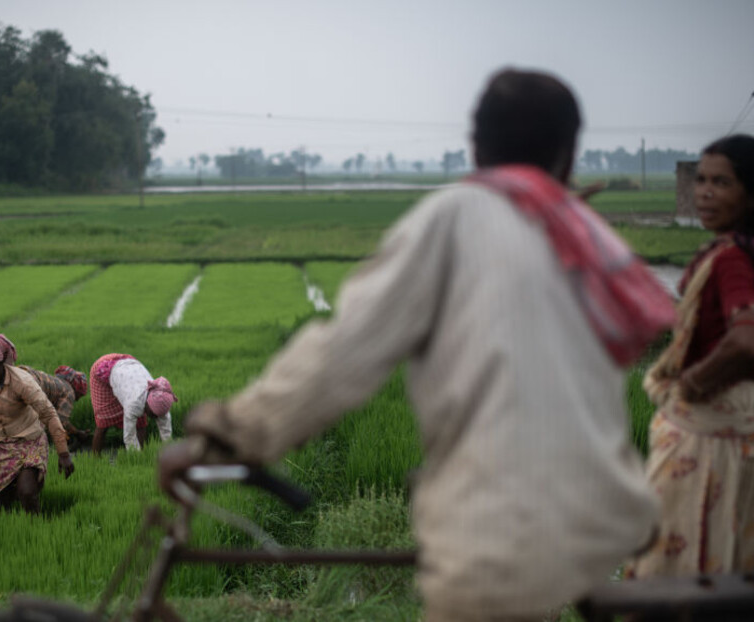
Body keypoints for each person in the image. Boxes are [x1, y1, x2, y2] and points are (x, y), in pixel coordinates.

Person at [158, 68, 677, 621]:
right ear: (569, 155)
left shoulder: (457, 216)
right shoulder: (581, 234)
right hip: (604, 512)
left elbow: (344, 353)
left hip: (499, 521)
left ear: (475, 146)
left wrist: (225, 437)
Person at [628, 135, 754, 578]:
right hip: (749, 428)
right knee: (725, 561)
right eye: (702, 180)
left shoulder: (731, 259)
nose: (705, 192)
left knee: (671, 561)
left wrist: (691, 384)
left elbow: (748, 340)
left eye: (722, 183)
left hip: (709, 433)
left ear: (753, 195)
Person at [0, 334, 74, 513]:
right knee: (2, 503)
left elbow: (48, 414)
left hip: (28, 440)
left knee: (27, 492)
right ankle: (14, 531)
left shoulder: (22, 381)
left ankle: (37, 530)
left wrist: (63, 453)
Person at [89, 353, 176, 453]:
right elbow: (129, 436)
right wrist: (135, 457)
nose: (156, 419)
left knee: (141, 423)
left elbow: (167, 435)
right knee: (103, 422)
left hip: (128, 368)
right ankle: (95, 458)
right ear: (147, 405)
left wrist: (171, 454)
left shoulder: (162, 404)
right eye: (153, 415)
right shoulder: (134, 403)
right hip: (104, 368)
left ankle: (142, 454)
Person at [18, 364, 92, 445]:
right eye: (79, 396)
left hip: (20, 374)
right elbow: (61, 420)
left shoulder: (57, 382)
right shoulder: (69, 391)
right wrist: (77, 433)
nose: (77, 399)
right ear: (77, 390)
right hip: (30, 385)